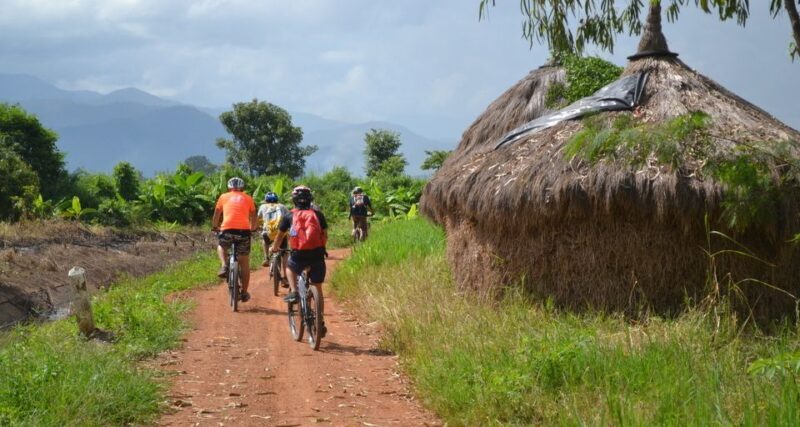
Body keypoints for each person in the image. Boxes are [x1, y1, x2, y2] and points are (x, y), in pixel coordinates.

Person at [270, 185, 328, 336]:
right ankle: (319, 321)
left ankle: (295, 291)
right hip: (317, 255)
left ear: (294, 200)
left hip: (298, 254)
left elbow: (280, 236)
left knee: (289, 267)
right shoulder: (318, 215)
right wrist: (321, 248)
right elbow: (325, 235)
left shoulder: (289, 216)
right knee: (318, 288)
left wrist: (274, 248)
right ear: (311, 199)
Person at [211, 177, 257, 302]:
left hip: (227, 230)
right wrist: (253, 227)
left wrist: (215, 226)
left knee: (222, 246)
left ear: (229, 187)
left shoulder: (223, 196)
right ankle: (245, 292)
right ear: (242, 187)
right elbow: (253, 214)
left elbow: (217, 212)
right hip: (244, 232)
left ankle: (224, 265)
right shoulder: (248, 198)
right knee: (244, 263)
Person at [258, 191, 289, 285]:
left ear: (266, 200)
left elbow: (258, 218)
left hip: (268, 233)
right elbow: (288, 218)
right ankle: (285, 277)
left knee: (264, 238)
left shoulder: (263, 207)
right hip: (281, 234)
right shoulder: (283, 206)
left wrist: (259, 226)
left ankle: (266, 257)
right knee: (285, 254)